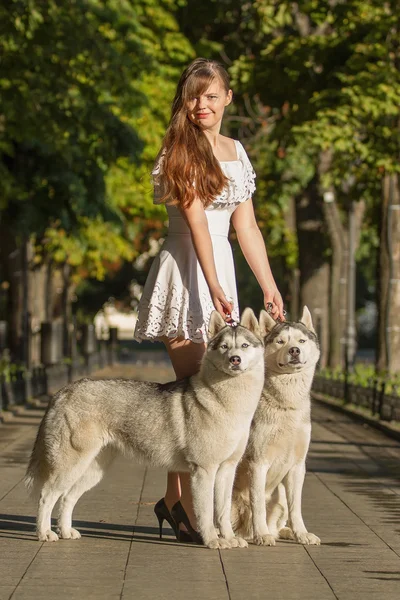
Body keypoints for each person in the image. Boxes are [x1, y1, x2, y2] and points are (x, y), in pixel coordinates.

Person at [134, 58, 285, 542]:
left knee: (207, 400)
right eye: (194, 95)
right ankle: (188, 508)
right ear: (186, 100)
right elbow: (197, 221)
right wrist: (214, 283)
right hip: (186, 271)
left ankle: (176, 502)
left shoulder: (237, 151)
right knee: (194, 396)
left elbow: (246, 227)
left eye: (212, 95)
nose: (203, 105)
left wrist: (268, 285)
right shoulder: (178, 150)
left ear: (227, 98)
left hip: (221, 271)